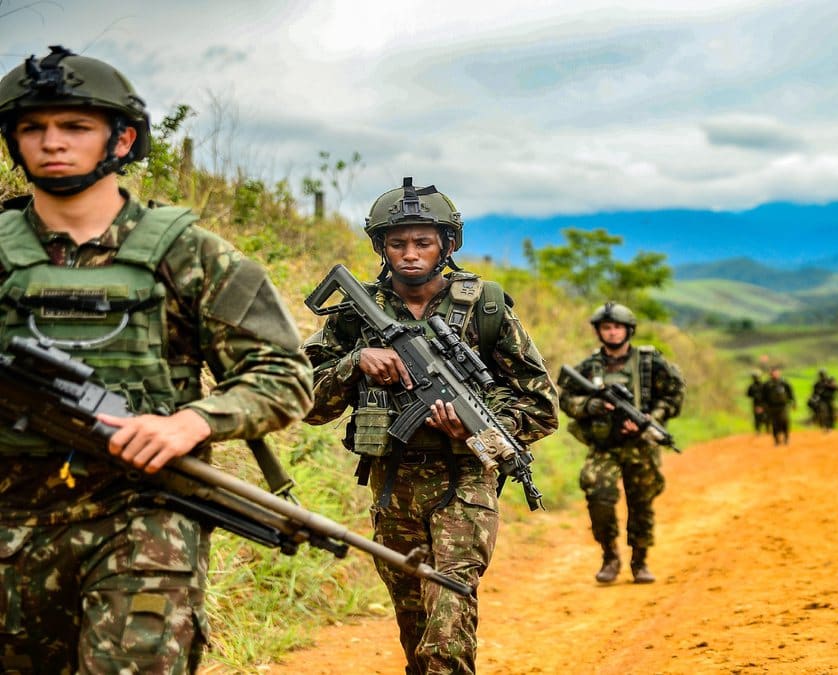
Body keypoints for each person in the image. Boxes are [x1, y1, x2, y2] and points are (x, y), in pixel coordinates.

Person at [0, 46, 314, 672]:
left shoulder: (193, 256)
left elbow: (283, 375)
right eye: (32, 128)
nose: (51, 143)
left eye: (74, 126)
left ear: (121, 139)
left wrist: (190, 423)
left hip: (145, 514)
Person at [303, 178, 558, 673]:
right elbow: (305, 401)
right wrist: (354, 363)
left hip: (465, 482)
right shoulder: (357, 316)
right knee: (414, 624)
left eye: (423, 242)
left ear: (447, 244)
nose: (411, 254)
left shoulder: (484, 307)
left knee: (447, 624)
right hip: (392, 485)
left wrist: (473, 431)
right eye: (397, 243)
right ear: (381, 247)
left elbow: (541, 405)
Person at [558, 302, 685, 584]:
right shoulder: (589, 367)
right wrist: (591, 405)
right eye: (606, 327)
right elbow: (566, 398)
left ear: (628, 330)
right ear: (599, 331)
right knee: (598, 494)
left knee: (641, 502)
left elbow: (674, 394)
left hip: (641, 445)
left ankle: (640, 561)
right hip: (604, 445)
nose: (612, 332)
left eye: (617, 327)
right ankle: (610, 556)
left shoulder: (649, 362)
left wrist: (652, 417)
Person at [759, 366, 795, 445]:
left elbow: (791, 393)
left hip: (783, 406)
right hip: (772, 407)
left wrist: (793, 403)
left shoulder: (784, 383)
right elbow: (763, 397)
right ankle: (776, 440)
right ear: (770, 374)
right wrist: (761, 406)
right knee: (775, 424)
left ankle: (786, 438)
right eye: (773, 373)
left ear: (779, 373)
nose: (775, 374)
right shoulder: (767, 385)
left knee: (784, 421)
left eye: (776, 373)